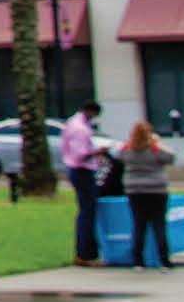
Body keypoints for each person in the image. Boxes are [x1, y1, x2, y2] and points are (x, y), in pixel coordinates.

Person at [116, 120, 173, 270]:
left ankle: (138, 260)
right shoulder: (154, 148)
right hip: (156, 189)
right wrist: (156, 142)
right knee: (159, 225)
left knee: (139, 225)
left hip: (134, 190)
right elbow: (170, 157)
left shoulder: (127, 148)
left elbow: (119, 156)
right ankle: (164, 260)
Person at [60, 101, 108, 266]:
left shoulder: (73, 123)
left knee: (86, 211)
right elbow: (80, 154)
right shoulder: (80, 129)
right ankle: (85, 254)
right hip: (82, 171)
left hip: (78, 171)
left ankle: (85, 252)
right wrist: (98, 152)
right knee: (88, 212)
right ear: (90, 112)